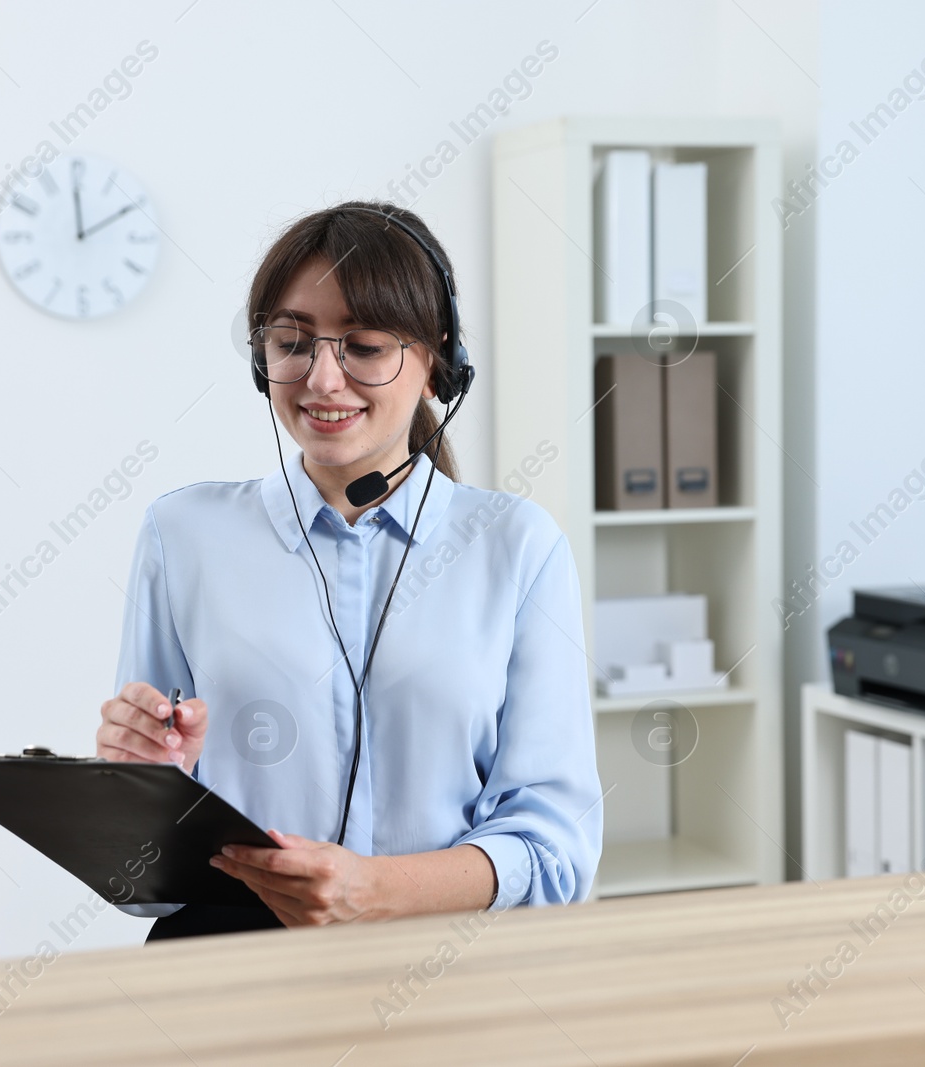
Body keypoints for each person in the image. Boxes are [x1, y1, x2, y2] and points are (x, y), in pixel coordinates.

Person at [97, 200, 602, 939]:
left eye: (364, 346)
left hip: (450, 960)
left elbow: (556, 853)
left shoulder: (518, 547)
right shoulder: (183, 535)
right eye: (292, 341)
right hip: (230, 964)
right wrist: (140, 781)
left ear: (438, 364)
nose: (322, 380)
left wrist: (376, 890)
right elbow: (139, 885)